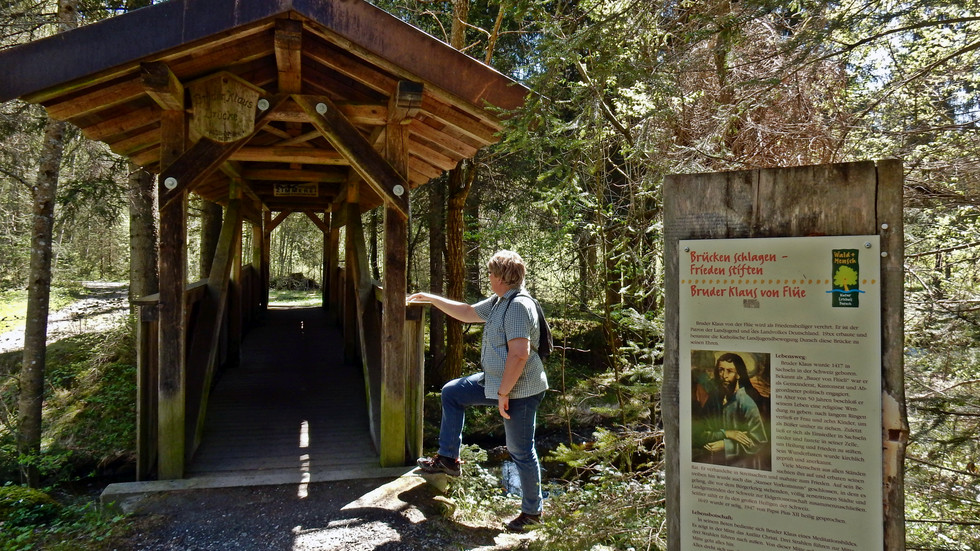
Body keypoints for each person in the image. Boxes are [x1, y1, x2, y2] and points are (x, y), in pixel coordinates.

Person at [407, 250, 548, 532]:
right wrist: (431, 298)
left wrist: (504, 393)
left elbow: (520, 354)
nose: (489, 277)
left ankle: (532, 514)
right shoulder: (499, 301)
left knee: (520, 450)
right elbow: (468, 312)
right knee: (453, 392)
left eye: (492, 273)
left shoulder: (519, 306)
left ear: (503, 277)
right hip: (496, 382)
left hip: (519, 389)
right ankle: (448, 459)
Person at [692, 352, 768, 469]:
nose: (724, 375)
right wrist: (727, 434)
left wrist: (725, 445)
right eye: (721, 370)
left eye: (730, 371)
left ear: (738, 374)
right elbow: (699, 432)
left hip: (742, 466)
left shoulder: (746, 403)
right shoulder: (714, 398)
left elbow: (759, 442)